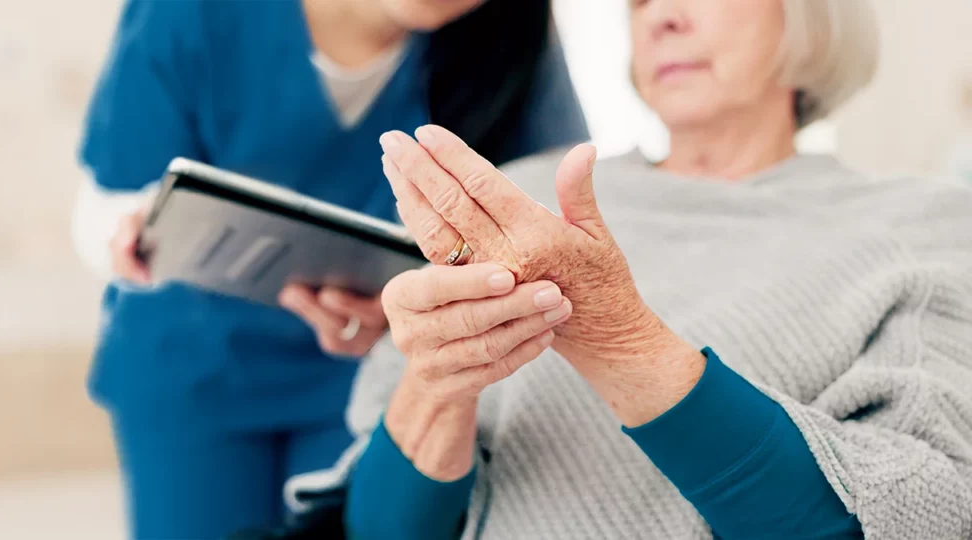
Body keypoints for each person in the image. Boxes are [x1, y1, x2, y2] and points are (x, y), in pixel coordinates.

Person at [288, 0, 972, 538]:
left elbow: (902, 520)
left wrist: (614, 335)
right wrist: (438, 382)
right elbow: (378, 529)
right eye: (641, 1)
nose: (663, 16)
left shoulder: (922, 226)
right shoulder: (518, 197)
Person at [71, 0, 588, 537]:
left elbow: (548, 215)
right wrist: (128, 235)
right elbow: (104, 205)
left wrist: (410, 303)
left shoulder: (516, 33)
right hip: (191, 373)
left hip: (364, 375)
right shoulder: (188, 13)